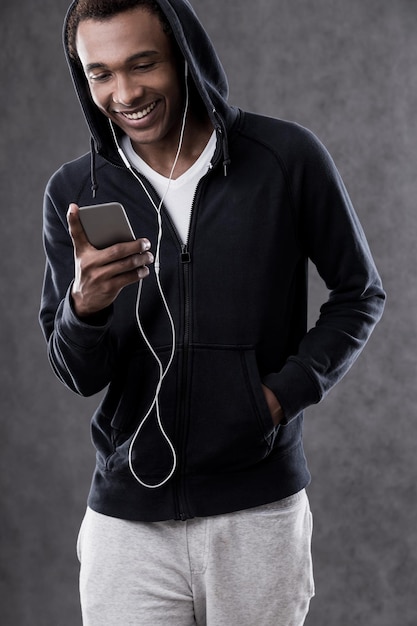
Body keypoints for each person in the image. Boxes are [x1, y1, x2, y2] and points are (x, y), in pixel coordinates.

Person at [39, 0, 385, 624]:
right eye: (101, 73)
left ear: (183, 55)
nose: (124, 93)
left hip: (258, 512)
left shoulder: (284, 157)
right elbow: (79, 374)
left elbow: (359, 293)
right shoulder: (76, 192)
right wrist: (83, 308)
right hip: (128, 522)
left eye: (143, 64)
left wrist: (276, 399)